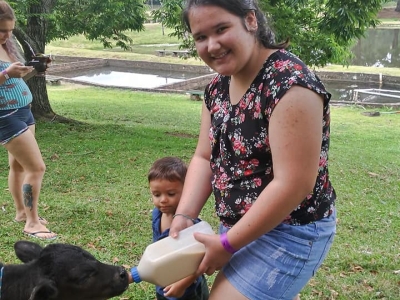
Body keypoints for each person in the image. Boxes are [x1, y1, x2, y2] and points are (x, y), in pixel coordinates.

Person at [169, 1, 337, 299]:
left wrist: (228, 244)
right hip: (238, 226)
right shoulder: (217, 88)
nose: (212, 45)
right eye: (201, 37)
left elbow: (294, 183)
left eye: (221, 29)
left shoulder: (290, 84)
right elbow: (204, 157)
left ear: (250, 20)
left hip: (291, 231)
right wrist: (184, 214)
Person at [0, 0, 57, 240]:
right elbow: (6, 77)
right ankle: (33, 223)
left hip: (25, 111)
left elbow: (15, 79)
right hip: (6, 117)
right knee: (36, 167)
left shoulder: (8, 47)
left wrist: (35, 70)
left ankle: (22, 213)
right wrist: (5, 73)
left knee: (19, 166)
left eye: (10, 30)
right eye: (2, 30)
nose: (7, 35)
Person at [148, 156, 210, 300]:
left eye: (171, 194)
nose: (163, 200)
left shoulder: (189, 226)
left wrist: (182, 284)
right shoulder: (158, 214)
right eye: (156, 194)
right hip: (163, 284)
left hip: (187, 291)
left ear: (187, 191)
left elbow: (202, 259)